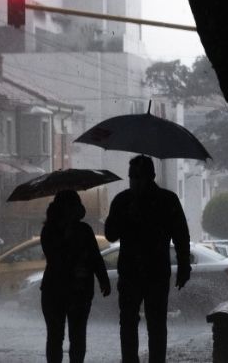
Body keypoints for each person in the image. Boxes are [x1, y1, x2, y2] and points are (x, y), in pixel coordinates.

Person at [104, 155, 191, 363]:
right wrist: (126, 217)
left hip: (155, 272)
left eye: (139, 177)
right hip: (132, 272)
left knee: (156, 324)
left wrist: (184, 266)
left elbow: (181, 236)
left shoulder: (167, 201)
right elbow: (110, 234)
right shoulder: (123, 201)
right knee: (128, 324)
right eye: (132, 177)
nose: (135, 181)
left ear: (151, 177)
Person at [41, 190, 111, 363]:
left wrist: (103, 279)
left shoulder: (84, 230)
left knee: (76, 337)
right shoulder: (50, 231)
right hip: (59, 292)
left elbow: (95, 258)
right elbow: (55, 259)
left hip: (75, 292)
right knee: (57, 337)